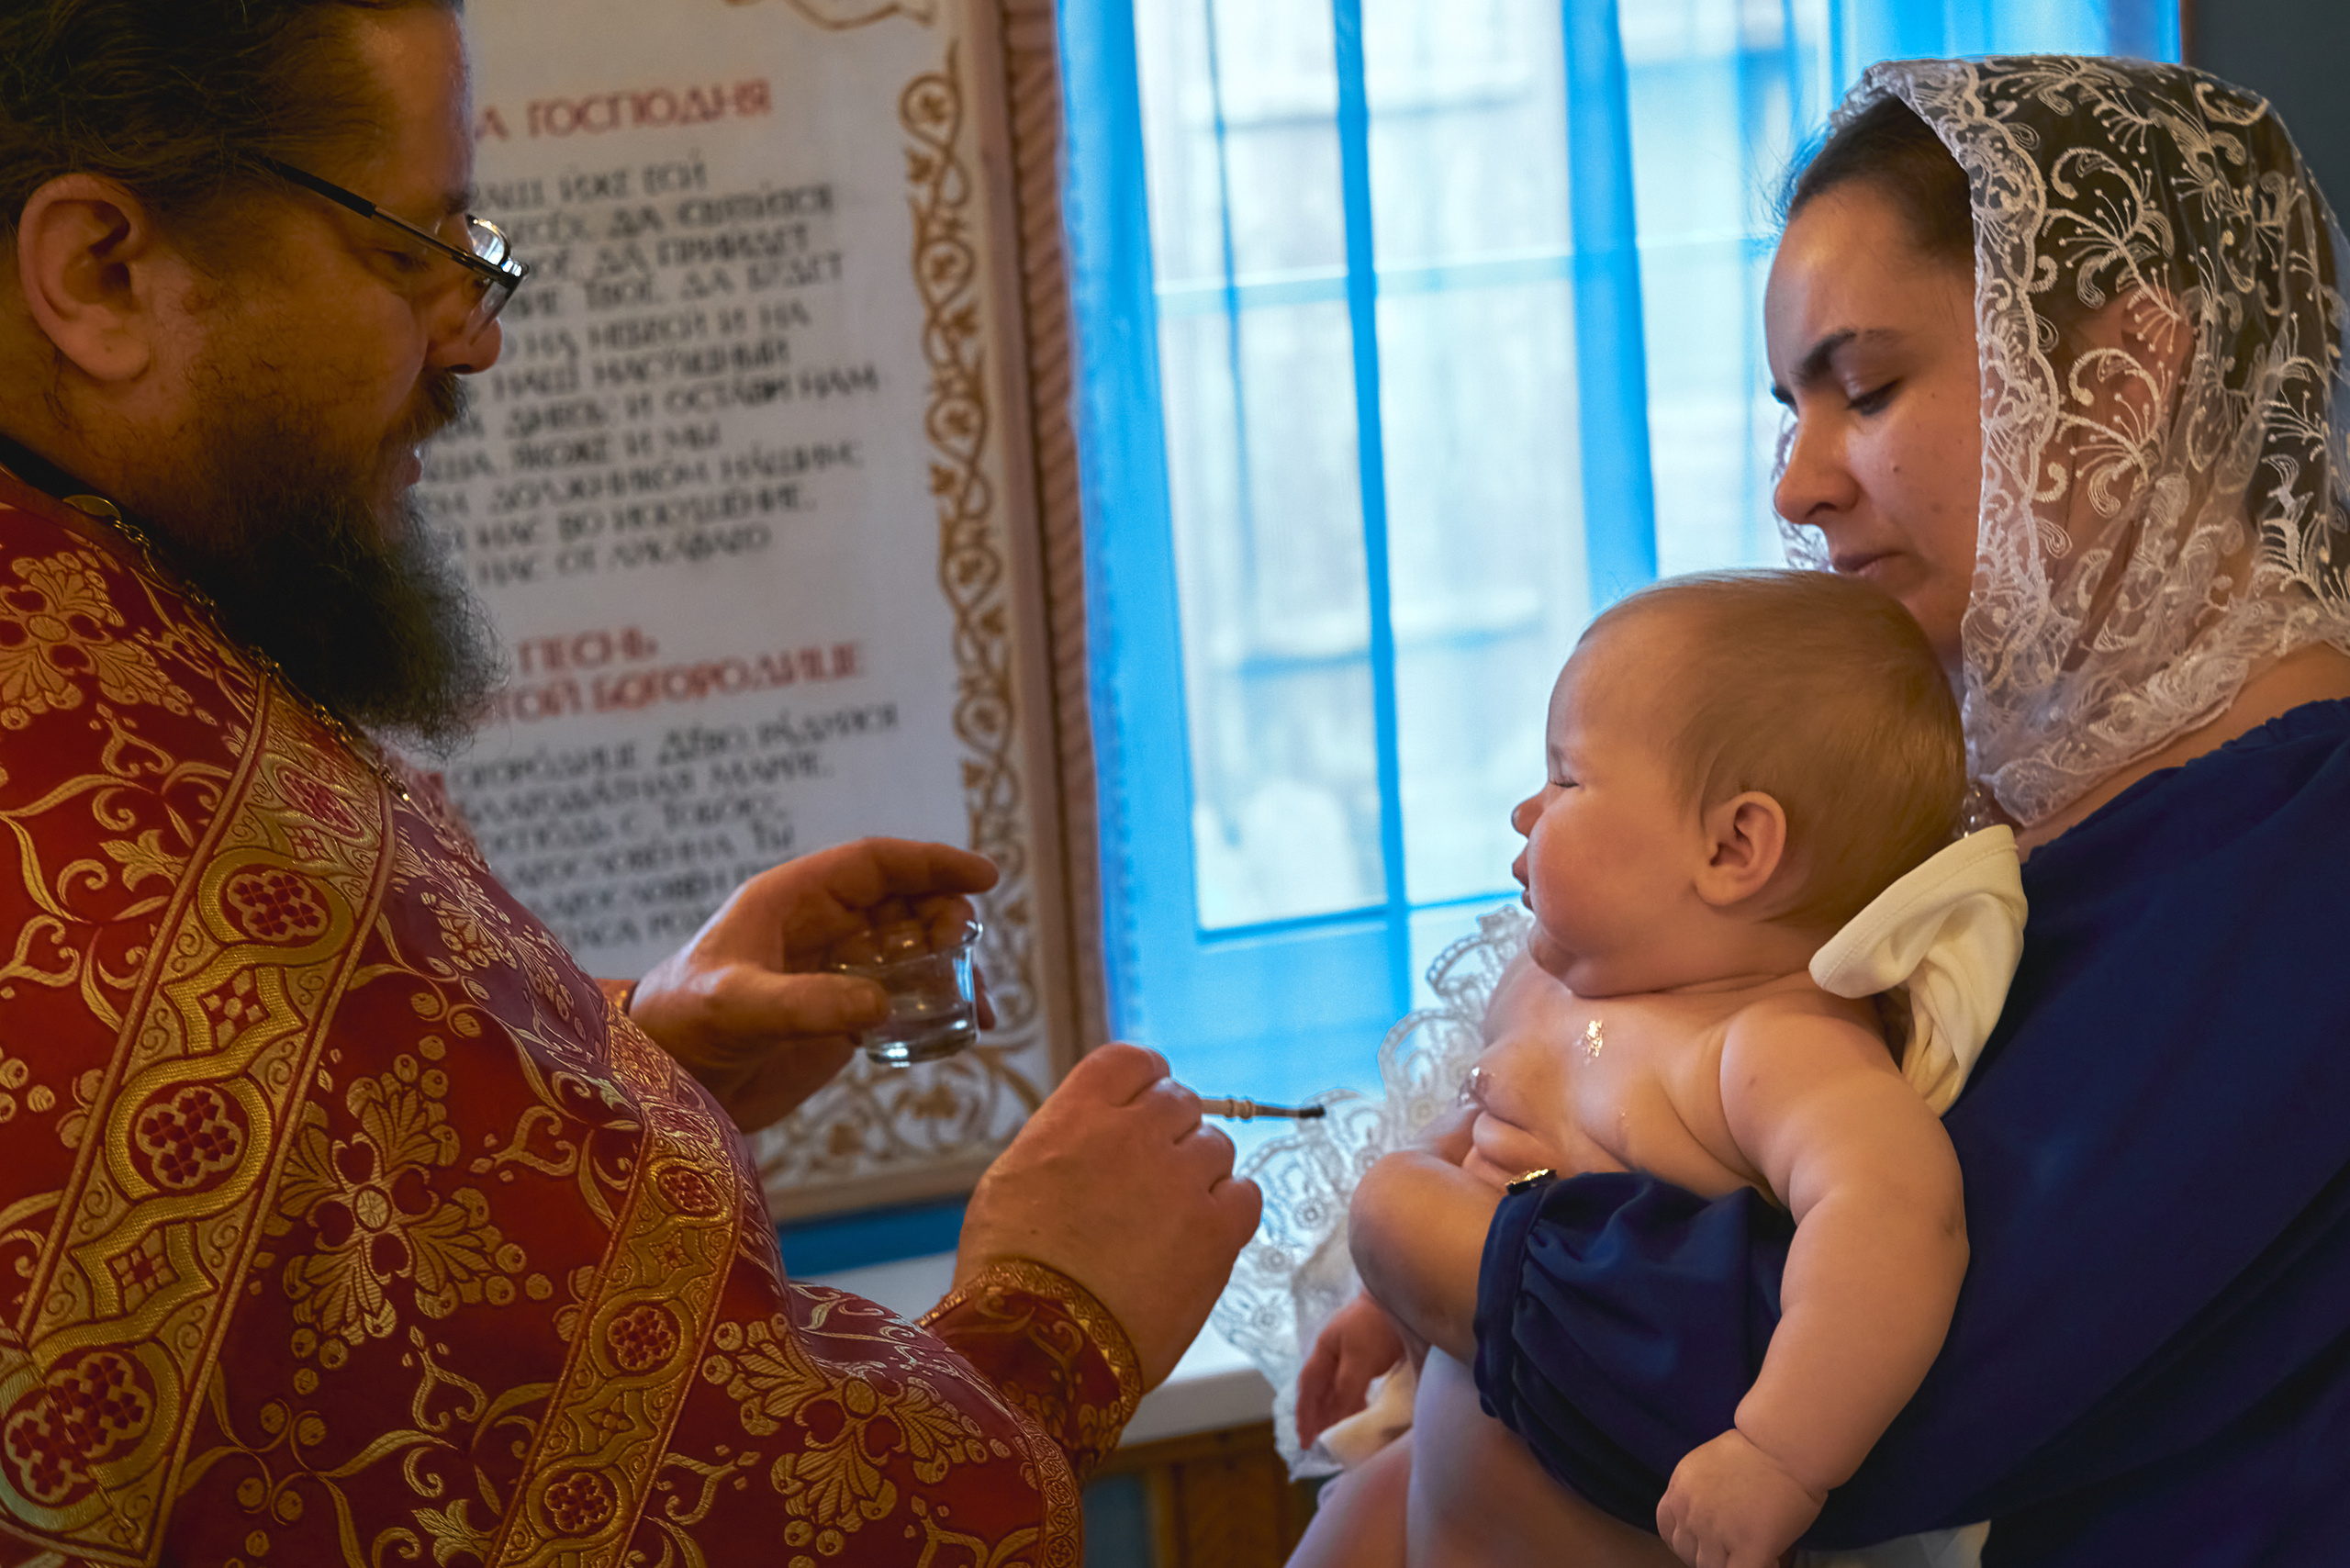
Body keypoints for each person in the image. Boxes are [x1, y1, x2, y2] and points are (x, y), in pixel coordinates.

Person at [0, 2, 1259, 1562]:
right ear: (102, 272)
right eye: (413, 246)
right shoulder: (140, 864)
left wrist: (628, 1067)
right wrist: (1051, 1315)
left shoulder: (93, 620)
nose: (474, 331)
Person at [1346, 55, 2350, 1567]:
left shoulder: (2305, 853)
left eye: (1866, 386)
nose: (1797, 484)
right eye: (1789, 404)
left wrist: (1440, 1246)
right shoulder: (2003, 781)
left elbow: (1868, 1387)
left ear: (2124, 378)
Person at [1270, 571, 2024, 1568]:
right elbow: (1471, 1143)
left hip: (1617, 1535)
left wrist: (1777, 1453)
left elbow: (1896, 1213)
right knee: (1342, 1524)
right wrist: (1383, 1303)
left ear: (1734, 846)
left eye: (1567, 779)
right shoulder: (1540, 997)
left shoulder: (1765, 1043)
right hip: (1446, 1490)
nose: (1524, 811)